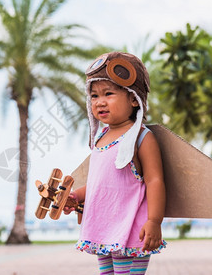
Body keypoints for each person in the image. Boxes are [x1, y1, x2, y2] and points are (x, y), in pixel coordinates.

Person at [64, 51, 166, 274]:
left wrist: (155, 221)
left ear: (133, 98)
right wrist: (76, 196)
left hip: (131, 228)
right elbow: (100, 183)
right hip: (104, 227)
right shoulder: (100, 138)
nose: (100, 102)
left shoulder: (141, 137)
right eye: (94, 96)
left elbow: (155, 180)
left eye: (108, 93)